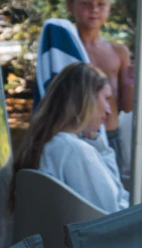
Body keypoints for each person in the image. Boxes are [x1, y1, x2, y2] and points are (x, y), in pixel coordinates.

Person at [12, 62, 129, 214]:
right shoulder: (74, 150)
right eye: (106, 99)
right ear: (87, 99)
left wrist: (98, 145)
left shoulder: (47, 143)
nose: (108, 110)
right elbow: (115, 211)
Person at [64, 0, 134, 178]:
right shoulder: (65, 50)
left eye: (101, 4)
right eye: (86, 3)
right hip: (74, 138)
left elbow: (126, 107)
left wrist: (130, 85)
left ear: (109, 8)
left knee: (114, 201)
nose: (94, 9)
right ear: (71, 6)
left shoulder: (118, 52)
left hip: (111, 137)